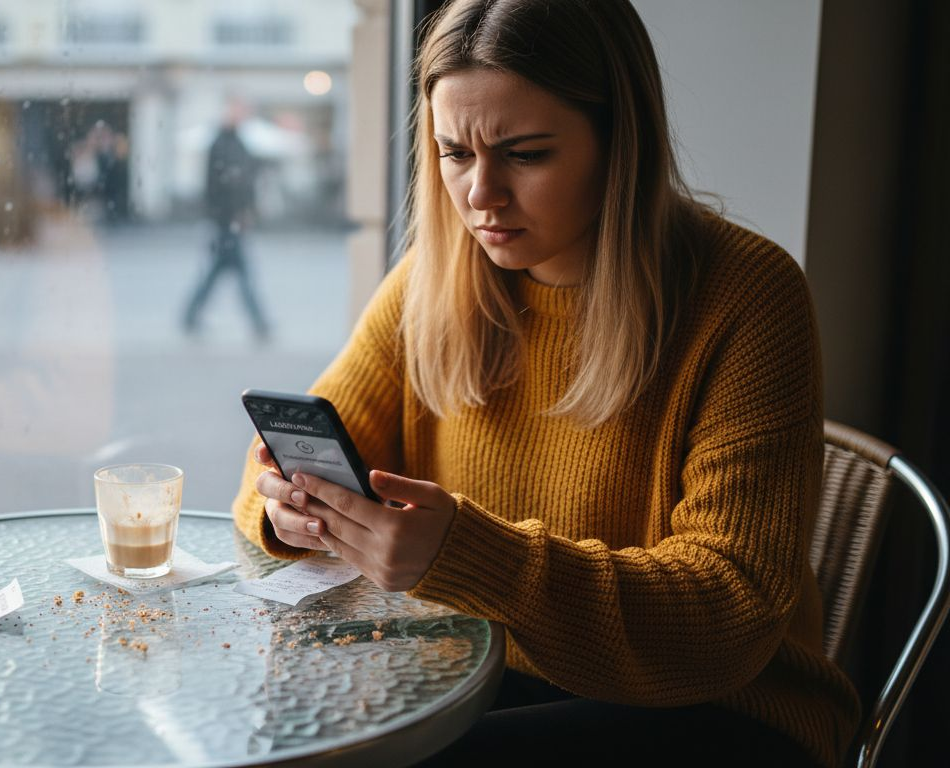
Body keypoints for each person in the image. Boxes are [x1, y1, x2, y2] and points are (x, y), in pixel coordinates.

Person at [232, 1, 859, 766]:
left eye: (525, 154)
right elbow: (274, 461)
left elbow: (729, 615)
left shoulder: (747, 295)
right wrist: (289, 511)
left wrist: (470, 558)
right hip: (488, 673)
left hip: (723, 709)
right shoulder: (432, 286)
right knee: (275, 726)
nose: (481, 196)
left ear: (619, 141)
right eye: (454, 153)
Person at [182, 105, 271, 340]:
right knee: (241, 274)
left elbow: (243, 181)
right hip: (227, 223)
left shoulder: (237, 143)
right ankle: (259, 322)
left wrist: (246, 210)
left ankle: (190, 316)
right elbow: (223, 186)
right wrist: (236, 214)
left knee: (218, 272)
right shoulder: (222, 145)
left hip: (230, 222)